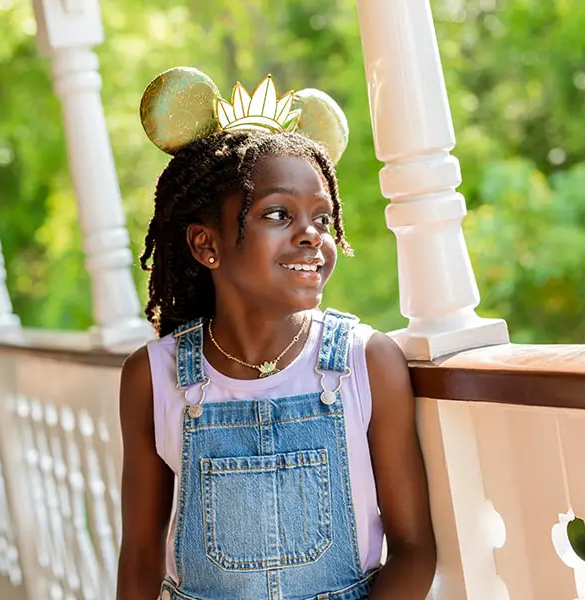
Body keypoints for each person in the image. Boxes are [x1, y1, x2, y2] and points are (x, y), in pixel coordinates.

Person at [117, 66, 436, 600]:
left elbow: (414, 547)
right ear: (206, 245)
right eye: (279, 214)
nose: (312, 235)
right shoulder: (155, 377)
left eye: (323, 218)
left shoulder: (364, 363)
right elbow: (141, 556)